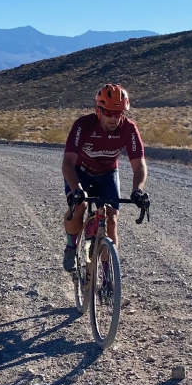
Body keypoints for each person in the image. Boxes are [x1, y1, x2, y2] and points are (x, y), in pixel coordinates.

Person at [62, 83, 148, 272]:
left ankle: (109, 274)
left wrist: (137, 190)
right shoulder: (83, 125)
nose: (113, 118)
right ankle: (71, 247)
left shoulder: (129, 129)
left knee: (111, 219)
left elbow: (139, 165)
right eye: (108, 112)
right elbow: (68, 163)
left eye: (118, 114)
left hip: (108, 174)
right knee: (79, 207)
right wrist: (76, 189)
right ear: (98, 111)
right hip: (81, 172)